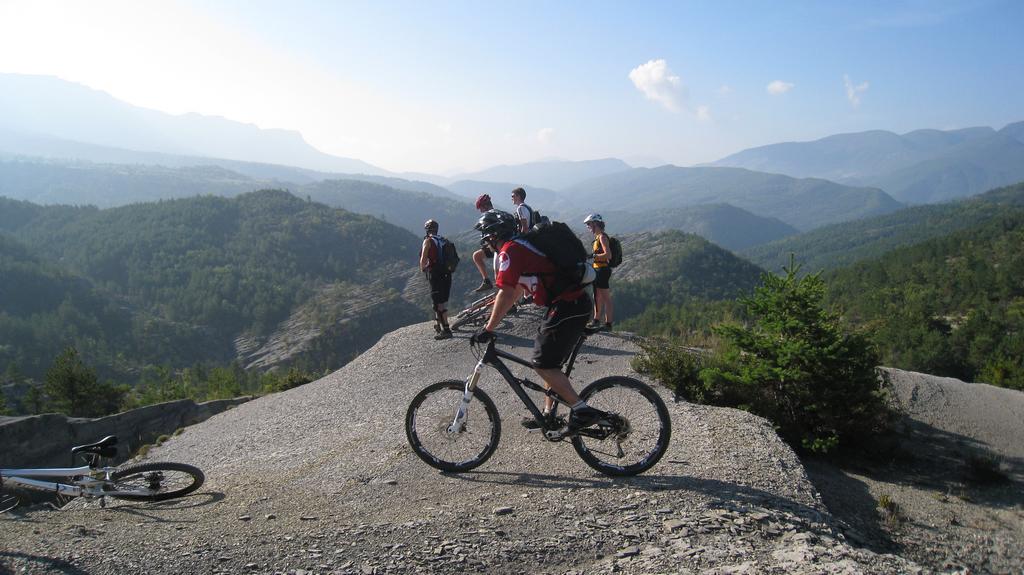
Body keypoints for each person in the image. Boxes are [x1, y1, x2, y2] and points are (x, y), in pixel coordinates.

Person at [470, 210, 603, 434]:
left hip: (567, 306)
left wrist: (488, 329)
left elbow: (506, 291)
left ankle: (582, 410)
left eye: (486, 235)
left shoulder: (510, 251)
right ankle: (548, 415)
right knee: (549, 363)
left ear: (494, 234)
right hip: (571, 305)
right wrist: (492, 319)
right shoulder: (521, 245)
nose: (486, 241)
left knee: (543, 364)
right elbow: (515, 293)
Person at [419, 219, 453, 340]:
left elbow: (423, 259)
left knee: (437, 303)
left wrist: (423, 269)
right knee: (441, 301)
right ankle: (439, 325)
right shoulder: (444, 240)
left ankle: (446, 329)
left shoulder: (427, 241)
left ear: (427, 230)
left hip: (436, 274)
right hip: (447, 274)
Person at [585, 213, 614, 331]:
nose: (588, 227)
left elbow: (608, 255)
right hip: (598, 269)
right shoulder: (598, 237)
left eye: (589, 224)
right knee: (597, 296)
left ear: (595, 224)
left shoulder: (602, 237)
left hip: (602, 269)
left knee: (605, 297)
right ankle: (596, 320)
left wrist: (594, 257)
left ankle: (608, 324)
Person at [471, 194, 496, 292]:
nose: (480, 211)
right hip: (496, 245)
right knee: (477, 256)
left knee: (498, 273)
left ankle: (487, 281)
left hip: (497, 246)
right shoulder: (497, 214)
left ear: (485, 206)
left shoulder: (489, 216)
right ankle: (486, 281)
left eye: (481, 208)